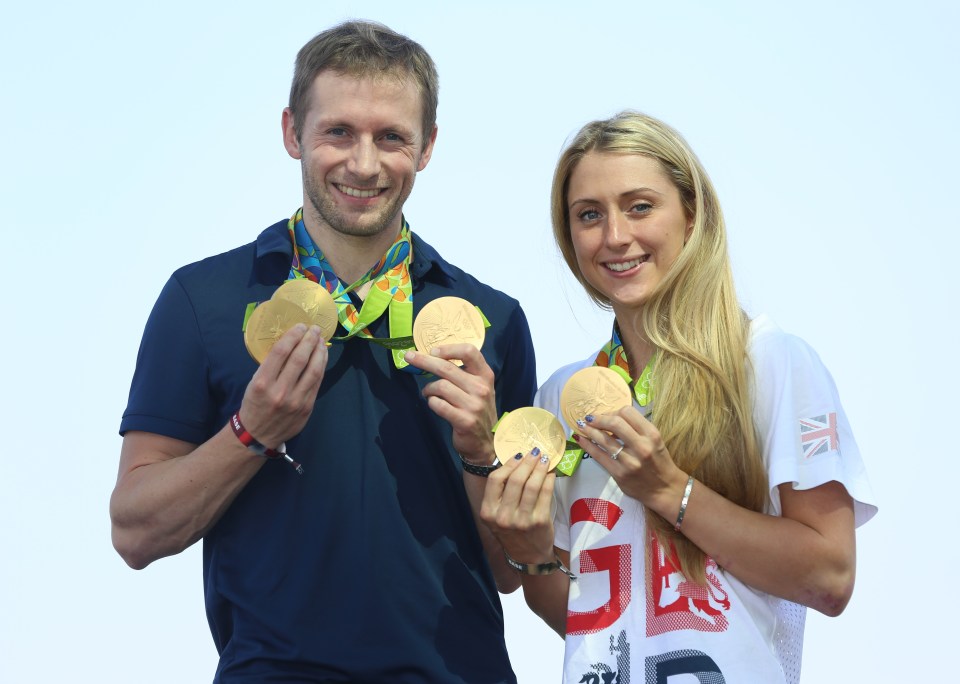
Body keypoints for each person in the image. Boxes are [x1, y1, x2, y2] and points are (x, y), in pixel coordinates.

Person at [110, 20, 535, 683]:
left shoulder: (492, 321)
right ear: (292, 132)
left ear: (426, 148)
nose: (364, 164)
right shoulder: (204, 300)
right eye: (339, 132)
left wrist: (481, 452)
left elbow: (510, 572)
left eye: (391, 137)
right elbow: (134, 531)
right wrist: (251, 432)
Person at [480, 111, 876, 683]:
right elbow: (571, 609)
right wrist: (531, 550)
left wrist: (670, 490)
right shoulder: (562, 394)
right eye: (589, 215)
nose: (615, 236)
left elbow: (831, 576)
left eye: (640, 206)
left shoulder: (769, 361)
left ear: (691, 217)